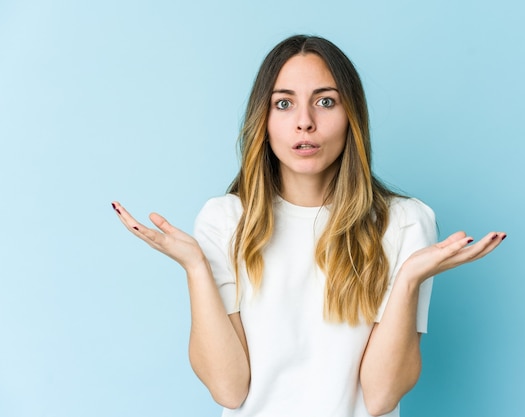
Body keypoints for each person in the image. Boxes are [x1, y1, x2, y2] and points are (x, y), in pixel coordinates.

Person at [112, 35, 505, 417]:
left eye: (325, 102)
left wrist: (407, 280)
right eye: (283, 104)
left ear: (352, 115)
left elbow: (381, 397)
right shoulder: (225, 220)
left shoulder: (404, 222)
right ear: (262, 121)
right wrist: (195, 267)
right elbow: (229, 389)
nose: (305, 122)